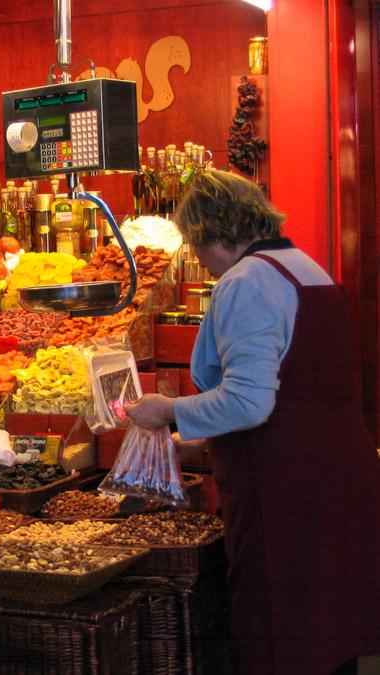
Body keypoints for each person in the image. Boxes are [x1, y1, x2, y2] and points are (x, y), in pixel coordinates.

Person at [126, 170, 380, 675]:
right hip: (338, 472)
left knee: (279, 623)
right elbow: (296, 388)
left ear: (215, 232)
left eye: (198, 246)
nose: (199, 260)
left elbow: (249, 402)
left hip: (282, 485)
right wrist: (189, 441)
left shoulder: (246, 281)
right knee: (330, 624)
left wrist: (168, 409)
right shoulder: (308, 268)